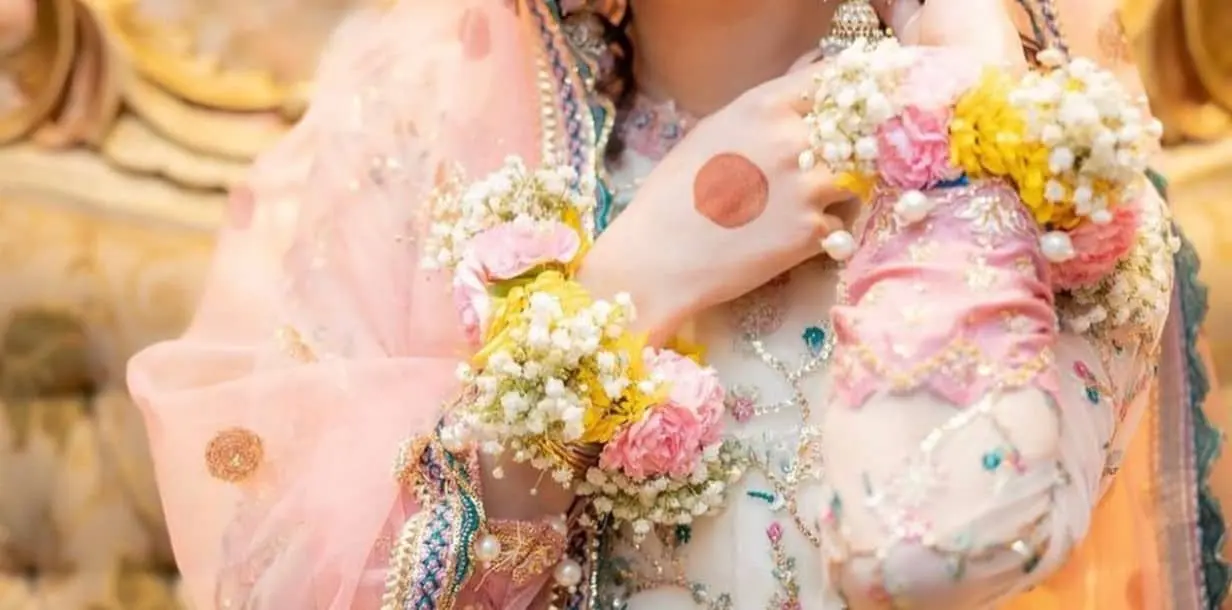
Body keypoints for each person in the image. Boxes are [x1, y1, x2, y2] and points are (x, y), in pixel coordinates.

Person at [126, 0, 1228, 608]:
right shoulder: (419, 138)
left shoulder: (1039, 172)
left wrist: (948, 104)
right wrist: (624, 290)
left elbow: (933, 540)